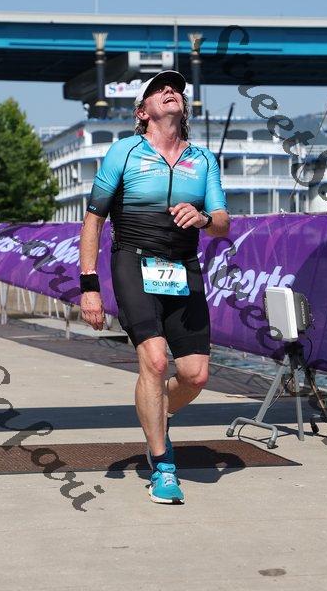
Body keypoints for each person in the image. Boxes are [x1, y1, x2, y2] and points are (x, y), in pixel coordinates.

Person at [79, 70, 230, 504]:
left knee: (196, 374)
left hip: (183, 265)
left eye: (175, 89)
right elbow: (93, 220)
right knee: (156, 361)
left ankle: (154, 415)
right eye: (159, 90)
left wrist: (204, 218)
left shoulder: (203, 159)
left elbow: (222, 223)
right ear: (142, 112)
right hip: (133, 259)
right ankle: (163, 465)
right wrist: (90, 286)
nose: (170, 92)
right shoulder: (124, 152)